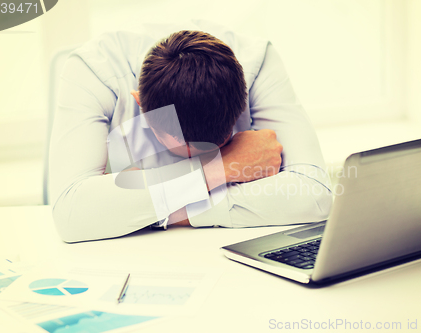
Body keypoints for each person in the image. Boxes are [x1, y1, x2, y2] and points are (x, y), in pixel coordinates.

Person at [49, 19, 332, 243]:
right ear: (141, 106)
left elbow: (315, 195)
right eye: (182, 149)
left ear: (242, 100)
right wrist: (222, 166)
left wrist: (158, 211)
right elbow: (72, 213)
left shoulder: (258, 61)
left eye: (218, 146)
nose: (196, 156)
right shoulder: (93, 69)